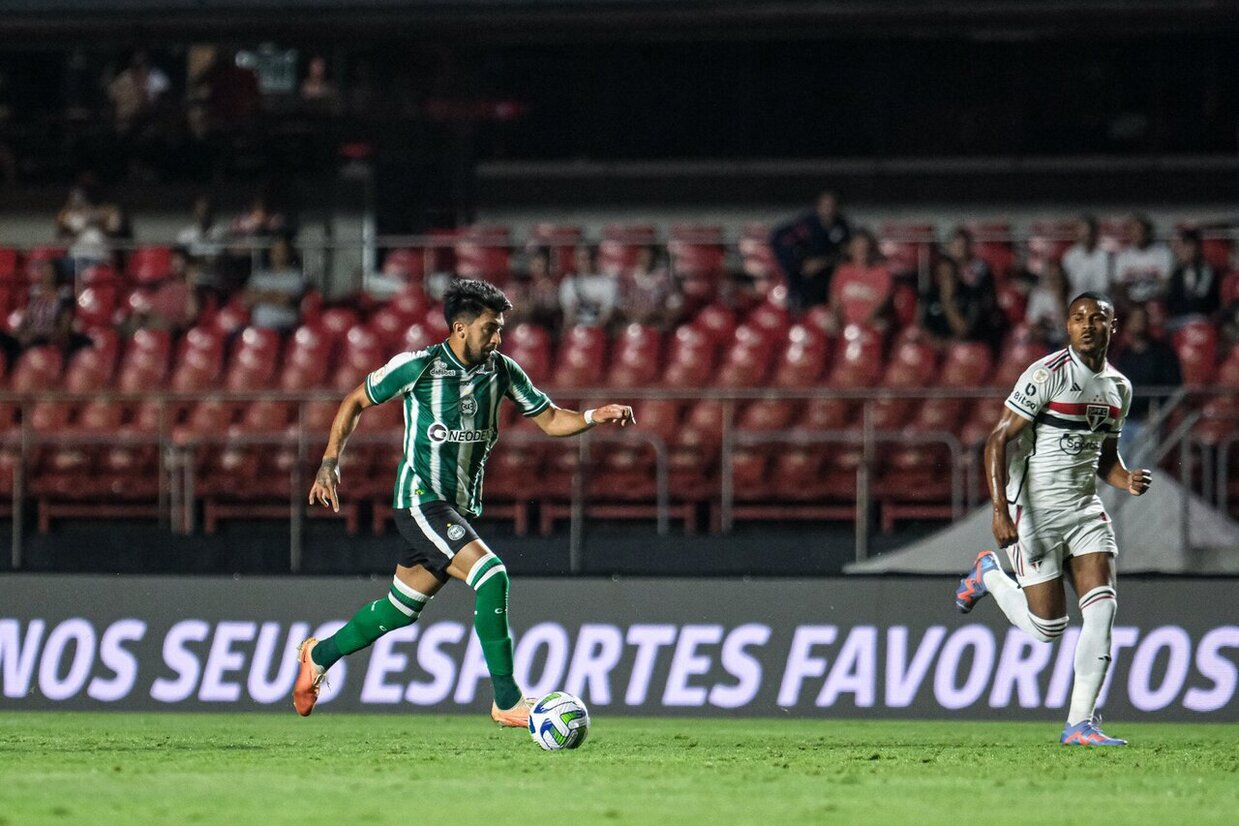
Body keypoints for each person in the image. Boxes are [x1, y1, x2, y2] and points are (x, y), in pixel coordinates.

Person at [294, 278, 635, 726]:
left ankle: (318, 655)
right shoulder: (417, 367)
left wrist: (593, 416)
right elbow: (355, 400)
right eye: (490, 329)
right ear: (459, 328)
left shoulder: (504, 371)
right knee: (491, 575)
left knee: (400, 609)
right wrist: (329, 462)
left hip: (454, 507)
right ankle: (508, 700)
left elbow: (551, 420)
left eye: (500, 330)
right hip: (420, 499)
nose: (498, 339)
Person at [954, 291, 1152, 747]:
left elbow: (1105, 459)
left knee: (1103, 610)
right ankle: (990, 574)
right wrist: (1000, 511)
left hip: (1085, 511)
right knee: (1048, 630)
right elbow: (996, 441)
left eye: (1096, 318)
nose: (1087, 325)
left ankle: (1080, 724)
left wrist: (1126, 481)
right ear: (1067, 327)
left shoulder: (1119, 388)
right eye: (1078, 318)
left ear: (1112, 327)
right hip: (1034, 511)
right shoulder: (1046, 375)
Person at [1109, 304, 1182, 459]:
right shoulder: (1121, 354)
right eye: (1134, 319)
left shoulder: (1162, 352)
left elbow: (1173, 384)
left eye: (1142, 319)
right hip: (1122, 421)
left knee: (1141, 471)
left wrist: (1159, 411)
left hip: (1147, 422)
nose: (1138, 323)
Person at [769, 190, 852, 313]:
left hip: (829, 278)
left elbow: (845, 251)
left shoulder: (842, 227)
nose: (828, 210)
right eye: (825, 206)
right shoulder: (806, 226)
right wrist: (799, 264)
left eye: (832, 206)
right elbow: (781, 240)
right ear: (818, 207)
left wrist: (824, 262)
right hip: (804, 281)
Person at [826, 228, 893, 334]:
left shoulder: (881, 272)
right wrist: (836, 318)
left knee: (881, 326)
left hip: (869, 321)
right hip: (845, 322)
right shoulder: (843, 271)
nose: (862, 251)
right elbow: (835, 298)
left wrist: (865, 321)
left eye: (865, 247)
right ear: (851, 249)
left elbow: (882, 300)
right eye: (858, 247)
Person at [242, 235, 304, 330]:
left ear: (288, 254)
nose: (278, 255)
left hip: (283, 327)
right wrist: (275, 295)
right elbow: (247, 300)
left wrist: (260, 294)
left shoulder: (296, 277)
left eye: (282, 252)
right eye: (275, 251)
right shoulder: (260, 276)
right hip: (258, 327)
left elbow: (285, 300)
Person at [1112, 214, 1172, 308]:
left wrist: (1153, 301)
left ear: (1147, 232)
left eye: (1140, 230)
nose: (1137, 234)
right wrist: (1128, 304)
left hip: (1155, 301)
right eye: (1133, 230)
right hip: (1131, 302)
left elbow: (1165, 284)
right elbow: (1119, 286)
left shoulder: (1163, 253)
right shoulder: (1123, 256)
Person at [1165, 227, 1220, 329]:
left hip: (1202, 318)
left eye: (1184, 247)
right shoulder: (1177, 274)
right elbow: (1172, 301)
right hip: (1180, 319)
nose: (1179, 251)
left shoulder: (1207, 271)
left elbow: (1202, 300)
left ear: (1196, 247)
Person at [1061, 215, 1112, 298]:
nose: (1086, 235)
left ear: (1095, 233)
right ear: (1078, 232)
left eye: (1089, 232)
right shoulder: (1070, 256)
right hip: (1077, 302)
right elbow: (1068, 285)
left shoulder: (1105, 256)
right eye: (1083, 231)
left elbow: (1104, 286)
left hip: (1100, 302)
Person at [1025, 259, 1070, 347]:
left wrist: (1059, 298)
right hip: (1044, 339)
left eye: (1057, 276)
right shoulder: (1038, 295)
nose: (1054, 280)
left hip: (1064, 340)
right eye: (1051, 276)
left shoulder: (1071, 295)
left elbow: (1068, 327)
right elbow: (1032, 323)